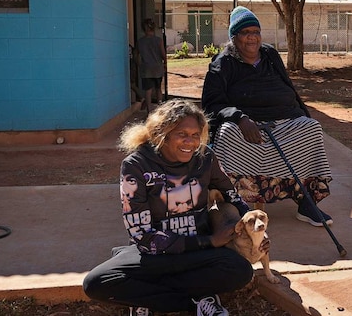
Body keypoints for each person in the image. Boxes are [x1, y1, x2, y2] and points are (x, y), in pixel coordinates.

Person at [83, 100, 259, 316]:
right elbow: (141, 234)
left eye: (196, 135)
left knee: (240, 271)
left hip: (198, 254)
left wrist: (254, 226)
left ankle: (149, 297)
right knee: (96, 282)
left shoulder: (205, 158)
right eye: (181, 134)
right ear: (162, 134)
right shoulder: (136, 165)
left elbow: (232, 196)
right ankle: (198, 299)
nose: (190, 142)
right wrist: (209, 241)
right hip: (155, 255)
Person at [201, 6, 334, 227]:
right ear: (234, 38)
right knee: (227, 133)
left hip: (282, 120)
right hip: (246, 124)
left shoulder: (270, 55)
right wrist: (239, 117)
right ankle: (234, 202)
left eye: (256, 32)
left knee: (311, 128)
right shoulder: (223, 63)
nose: (252, 37)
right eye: (245, 33)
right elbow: (212, 103)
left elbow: (287, 87)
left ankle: (305, 200)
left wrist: (302, 113)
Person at [136, 18, 166, 113]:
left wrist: (139, 64)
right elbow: (163, 53)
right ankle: (160, 107)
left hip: (146, 68)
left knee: (148, 90)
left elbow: (136, 55)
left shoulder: (140, 42)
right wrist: (165, 63)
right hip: (157, 67)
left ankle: (149, 110)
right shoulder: (158, 40)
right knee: (158, 89)